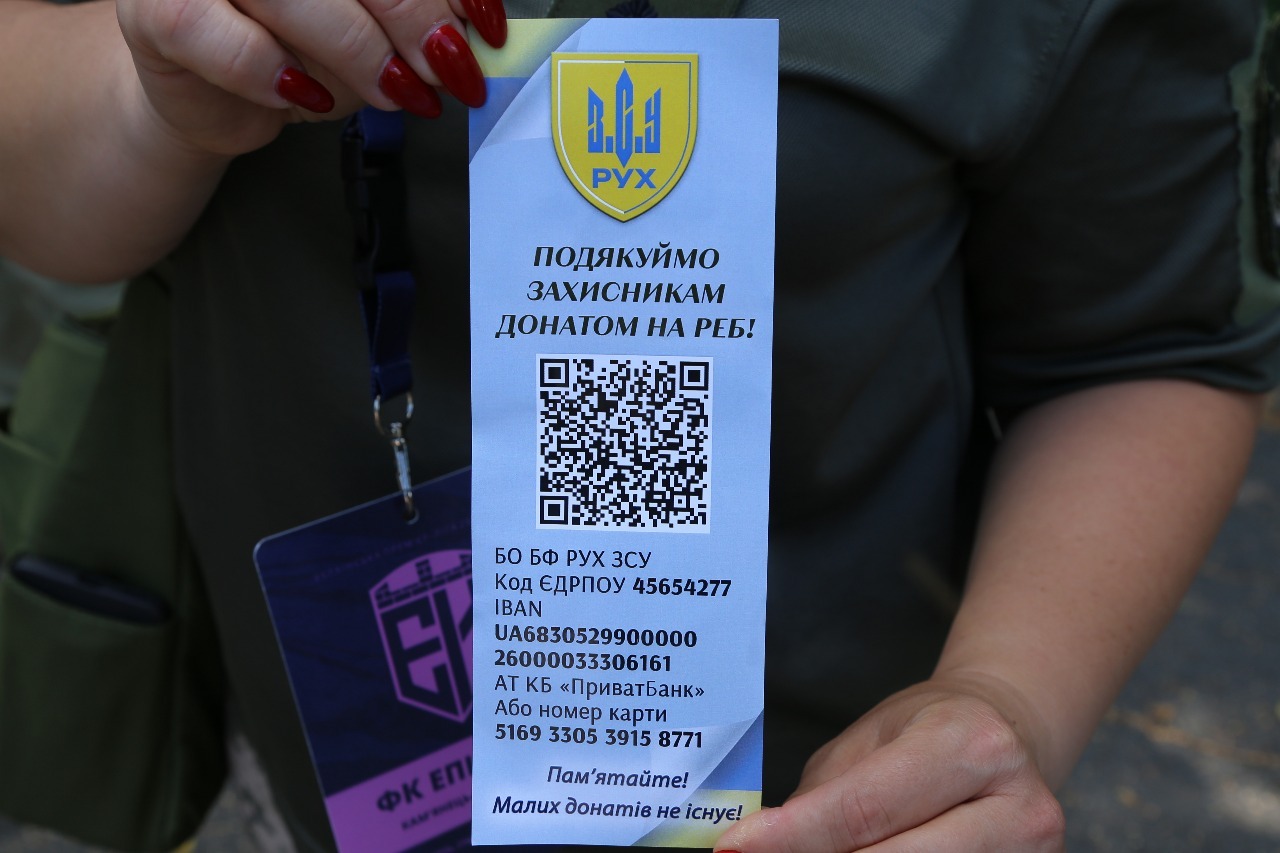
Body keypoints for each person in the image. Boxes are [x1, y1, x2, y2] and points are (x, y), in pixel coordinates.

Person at [3, 0, 1279, 851]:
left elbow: (1142, 339)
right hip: (314, 752)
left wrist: (1001, 694)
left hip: (812, 803)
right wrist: (152, 89)